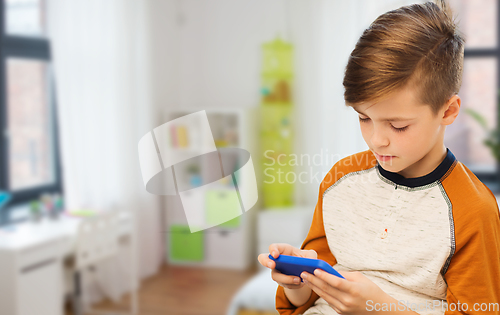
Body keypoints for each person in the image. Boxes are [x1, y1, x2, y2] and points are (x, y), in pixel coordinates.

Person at [257, 1, 500, 314]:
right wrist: (298, 283)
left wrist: (378, 307)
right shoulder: (339, 179)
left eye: (398, 126)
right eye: (363, 118)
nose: (376, 139)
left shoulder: (472, 210)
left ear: (448, 111)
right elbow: (306, 299)